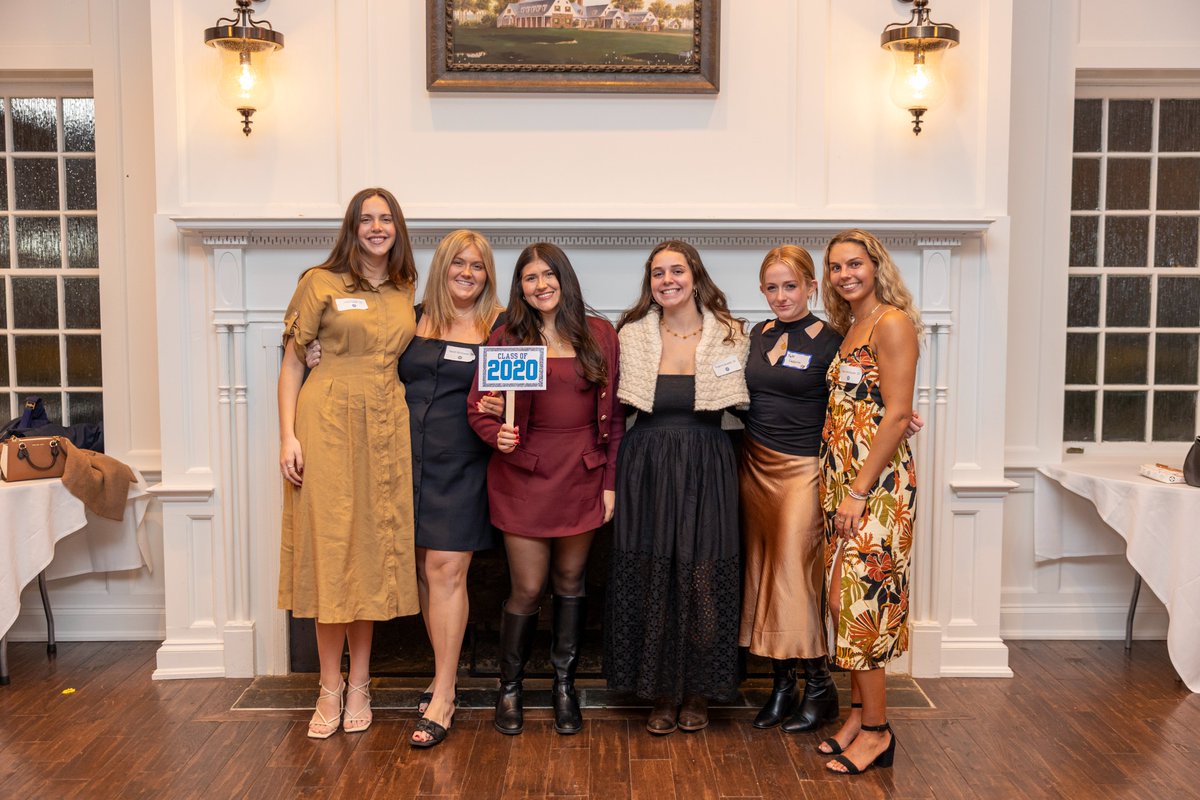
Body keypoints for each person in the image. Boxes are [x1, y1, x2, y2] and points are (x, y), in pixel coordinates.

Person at [277, 187, 419, 739]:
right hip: (329, 420)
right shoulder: (320, 282)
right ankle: (328, 684)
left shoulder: (406, 287)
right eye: (367, 219)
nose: (377, 227)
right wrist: (287, 436)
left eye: (386, 219)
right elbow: (292, 364)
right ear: (353, 228)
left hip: (386, 423)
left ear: (397, 228)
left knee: (370, 552)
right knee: (332, 551)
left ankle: (360, 681)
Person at [466, 242, 623, 737]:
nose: (541, 285)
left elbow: (616, 418)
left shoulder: (600, 334)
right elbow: (478, 407)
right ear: (521, 287)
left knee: (571, 583)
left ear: (564, 278)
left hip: (582, 473)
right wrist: (496, 433)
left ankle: (564, 686)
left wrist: (611, 483)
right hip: (523, 476)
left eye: (548, 275)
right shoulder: (507, 338)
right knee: (528, 588)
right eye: (530, 277)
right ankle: (509, 687)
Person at [604, 240, 748, 735]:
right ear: (650, 283)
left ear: (695, 276)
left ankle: (699, 690)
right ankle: (662, 691)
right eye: (658, 273)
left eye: (677, 271)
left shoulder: (731, 334)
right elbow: (602, 404)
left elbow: (764, 402)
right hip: (646, 468)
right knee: (653, 577)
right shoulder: (631, 335)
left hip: (708, 466)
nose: (668, 280)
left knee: (704, 579)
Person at [818, 229, 920, 775]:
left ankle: (878, 733)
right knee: (845, 602)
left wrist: (858, 491)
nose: (845, 275)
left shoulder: (892, 322)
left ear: (876, 265)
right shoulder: (851, 326)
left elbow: (898, 414)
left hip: (875, 487)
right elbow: (871, 402)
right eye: (836, 267)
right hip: (844, 481)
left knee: (859, 604)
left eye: (854, 264)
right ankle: (858, 716)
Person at [738, 245, 843, 733]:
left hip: (803, 470)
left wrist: (898, 414)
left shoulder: (832, 340)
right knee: (763, 572)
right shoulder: (754, 335)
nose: (781, 296)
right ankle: (782, 687)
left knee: (794, 577)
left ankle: (820, 688)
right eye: (772, 287)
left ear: (811, 287)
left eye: (791, 286)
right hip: (755, 466)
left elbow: (857, 397)